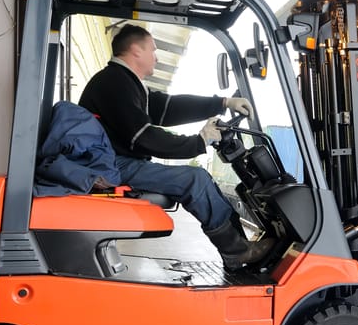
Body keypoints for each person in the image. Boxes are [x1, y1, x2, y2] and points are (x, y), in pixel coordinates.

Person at [79, 24, 275, 271]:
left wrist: (223, 103)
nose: (157, 57)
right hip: (110, 166)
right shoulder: (115, 83)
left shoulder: (125, 82)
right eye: (153, 50)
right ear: (136, 50)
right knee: (195, 180)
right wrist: (198, 141)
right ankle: (236, 252)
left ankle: (239, 248)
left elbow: (168, 107)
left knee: (200, 179)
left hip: (114, 162)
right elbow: (144, 137)